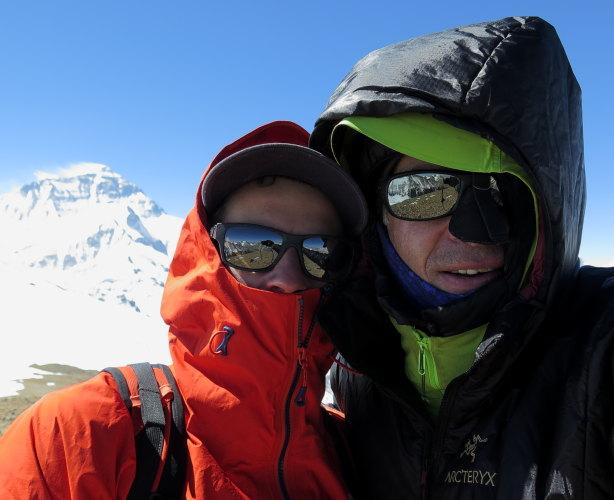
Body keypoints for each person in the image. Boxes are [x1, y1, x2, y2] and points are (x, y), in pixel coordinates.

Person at [309, 16, 614, 499]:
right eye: (423, 192)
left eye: (499, 194)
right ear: (374, 217)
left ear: (543, 215)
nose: (471, 233)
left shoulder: (597, 350)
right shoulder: (356, 363)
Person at [0, 120, 367, 499]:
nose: (287, 280)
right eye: (252, 246)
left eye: (320, 253)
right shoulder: (77, 437)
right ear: (205, 253)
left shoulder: (359, 454)